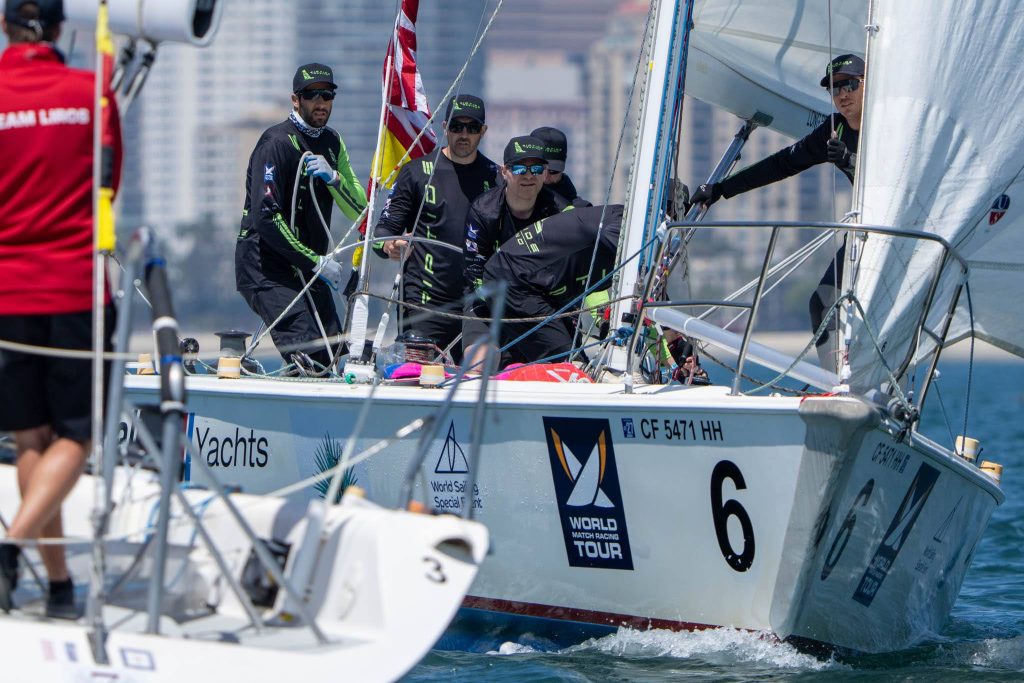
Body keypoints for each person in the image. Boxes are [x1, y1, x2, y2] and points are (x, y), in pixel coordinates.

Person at [0, 0, 122, 618]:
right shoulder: (90, 89)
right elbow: (110, 182)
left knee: (31, 437)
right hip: (76, 286)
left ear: (3, 28)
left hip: (7, 290)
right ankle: (13, 543)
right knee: (77, 434)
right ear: (56, 30)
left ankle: (57, 588)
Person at [689, 54, 865, 370]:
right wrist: (721, 190)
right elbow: (783, 163)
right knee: (823, 303)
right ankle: (837, 385)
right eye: (835, 88)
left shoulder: (887, 123)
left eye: (850, 84)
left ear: (867, 85)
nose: (842, 94)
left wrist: (851, 160)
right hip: (866, 233)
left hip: (904, 228)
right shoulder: (834, 129)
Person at [235, 62, 367, 369]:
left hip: (308, 269)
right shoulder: (276, 143)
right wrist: (315, 261)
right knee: (309, 352)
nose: (321, 102)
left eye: (327, 95)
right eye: (312, 95)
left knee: (338, 356)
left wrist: (334, 178)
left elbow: (360, 208)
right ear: (296, 100)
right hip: (266, 268)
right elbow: (266, 217)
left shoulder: (333, 143)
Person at [372, 95, 499, 362]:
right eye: (456, 126)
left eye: (472, 128)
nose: (464, 134)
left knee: (479, 376)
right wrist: (390, 245)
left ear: (483, 131)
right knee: (418, 379)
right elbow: (382, 232)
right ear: (445, 127)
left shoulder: (496, 178)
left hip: (476, 302)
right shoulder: (416, 172)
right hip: (424, 302)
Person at [481, 205, 623, 364]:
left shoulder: (625, 231)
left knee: (574, 362)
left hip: (542, 290)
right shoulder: (621, 226)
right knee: (570, 366)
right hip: (514, 281)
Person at [530, 126, 590, 207]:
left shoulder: (581, 210)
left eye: (553, 170)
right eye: (539, 169)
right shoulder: (508, 200)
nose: (546, 176)